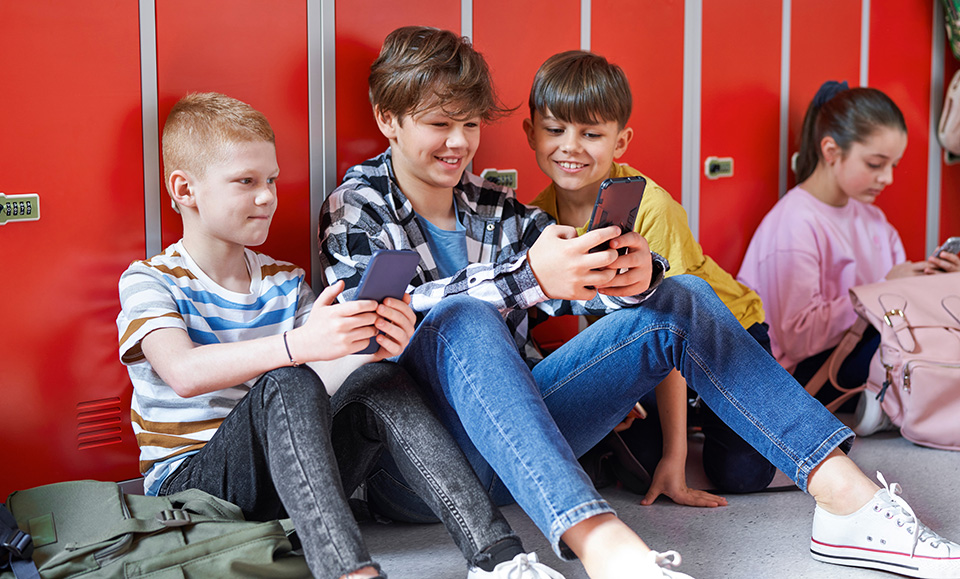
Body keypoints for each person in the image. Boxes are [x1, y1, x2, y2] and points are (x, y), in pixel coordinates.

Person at [320, 26, 960, 579]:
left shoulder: (493, 206)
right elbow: (367, 330)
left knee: (678, 294)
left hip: (517, 446)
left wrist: (631, 275)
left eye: (469, 125)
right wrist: (530, 279)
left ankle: (848, 502)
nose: (459, 143)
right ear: (387, 118)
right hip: (417, 468)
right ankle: (605, 545)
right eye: (439, 124)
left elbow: (580, 280)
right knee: (461, 316)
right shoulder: (357, 205)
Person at [117, 92, 564, 579]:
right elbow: (182, 373)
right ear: (185, 189)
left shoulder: (285, 281)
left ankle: (498, 559)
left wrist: (381, 345)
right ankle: (349, 571)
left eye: (270, 180)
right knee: (286, 381)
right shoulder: (151, 278)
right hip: (192, 490)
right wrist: (297, 347)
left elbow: (327, 374)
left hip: (289, 483)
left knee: (378, 379)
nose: (267, 196)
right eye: (246, 182)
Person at [523, 49, 775, 498]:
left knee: (739, 476)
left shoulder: (650, 207)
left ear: (620, 142)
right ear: (531, 133)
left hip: (723, 334)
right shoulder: (536, 218)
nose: (570, 147)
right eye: (555, 129)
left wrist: (675, 461)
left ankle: (770, 403)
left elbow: (675, 325)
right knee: (638, 469)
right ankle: (695, 417)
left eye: (592, 133)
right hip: (653, 347)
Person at [737, 81, 960, 426]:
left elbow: (897, 310)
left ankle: (891, 399)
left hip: (858, 349)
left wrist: (933, 283)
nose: (886, 178)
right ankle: (890, 398)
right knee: (910, 349)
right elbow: (797, 339)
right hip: (802, 372)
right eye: (875, 164)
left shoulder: (874, 220)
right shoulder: (795, 222)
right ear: (830, 151)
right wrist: (884, 290)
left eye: (894, 166)